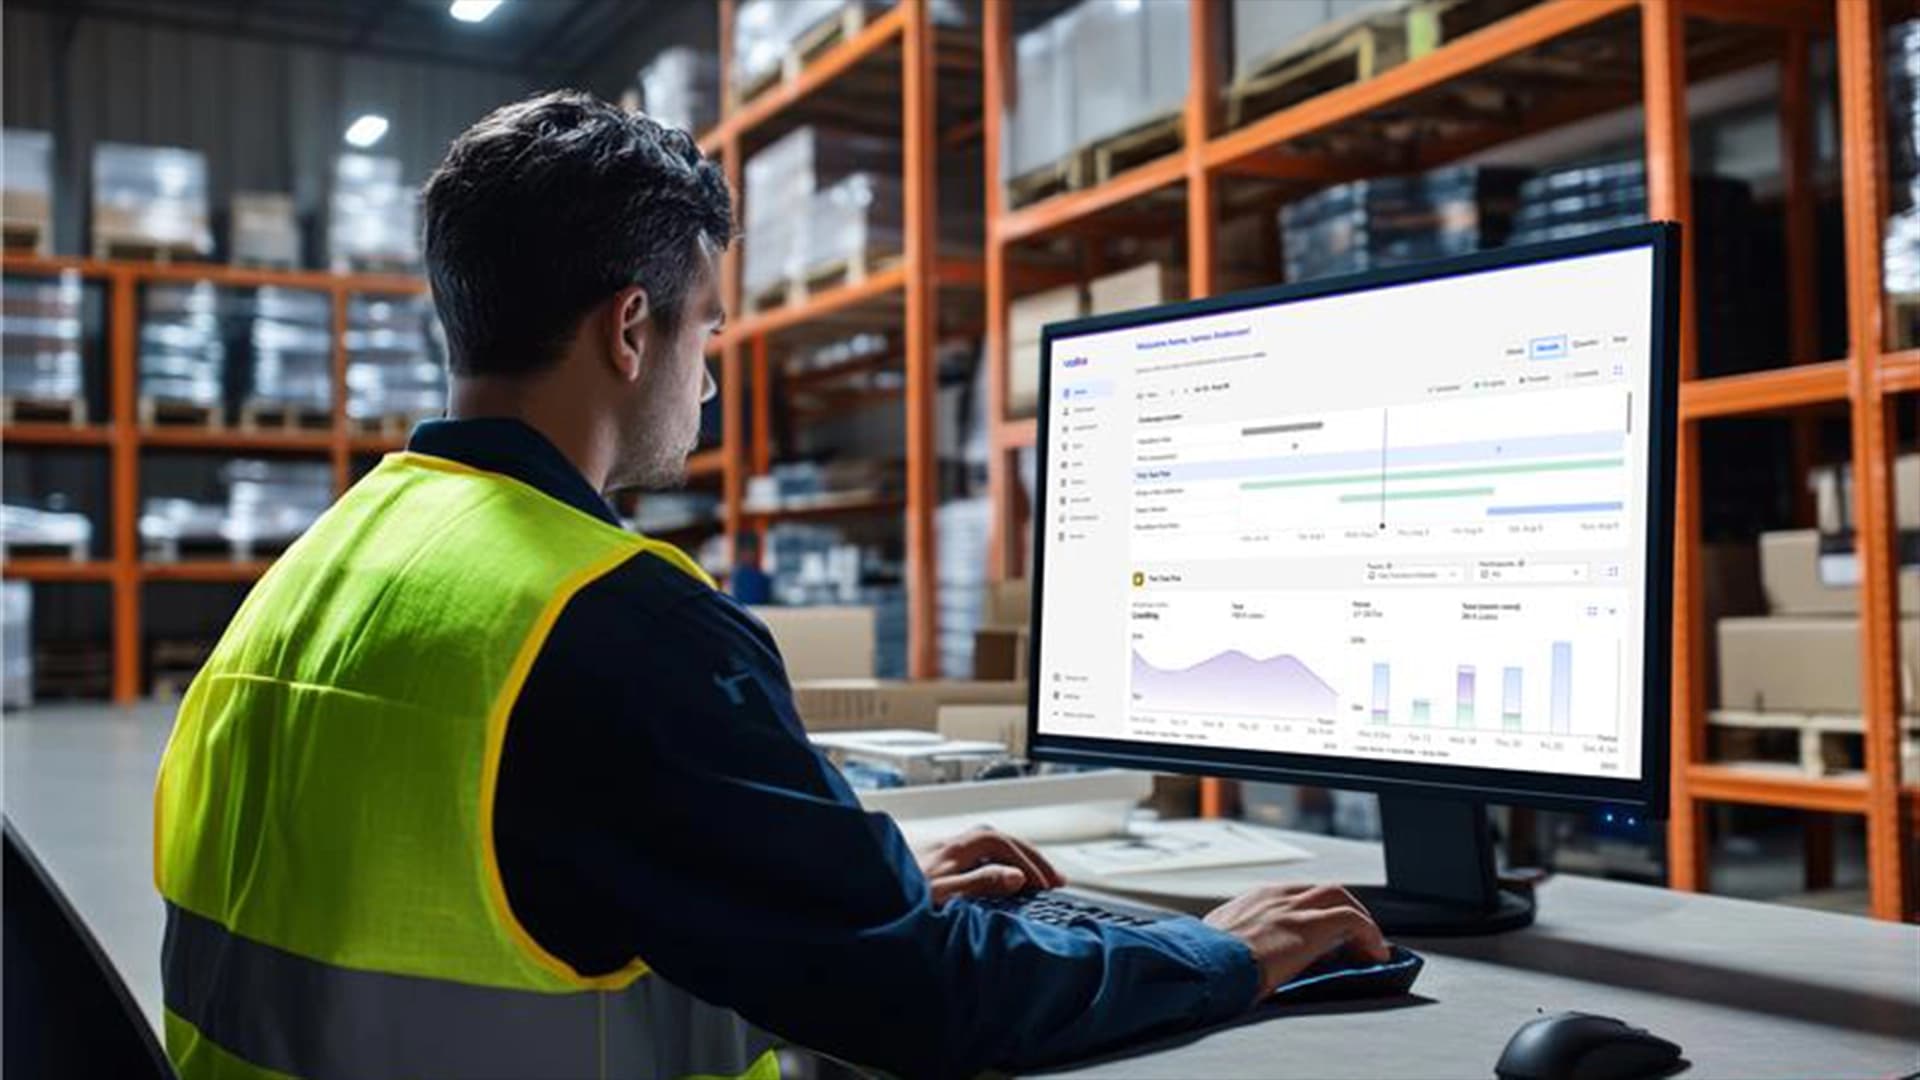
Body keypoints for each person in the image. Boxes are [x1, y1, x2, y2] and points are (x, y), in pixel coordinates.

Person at [153, 90, 1390, 1080]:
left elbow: (513, 864)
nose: (706, 376)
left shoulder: (324, 564)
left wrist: (833, 885)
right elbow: (923, 1003)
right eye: (707, 329)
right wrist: (1221, 955)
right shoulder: (615, 621)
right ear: (629, 330)